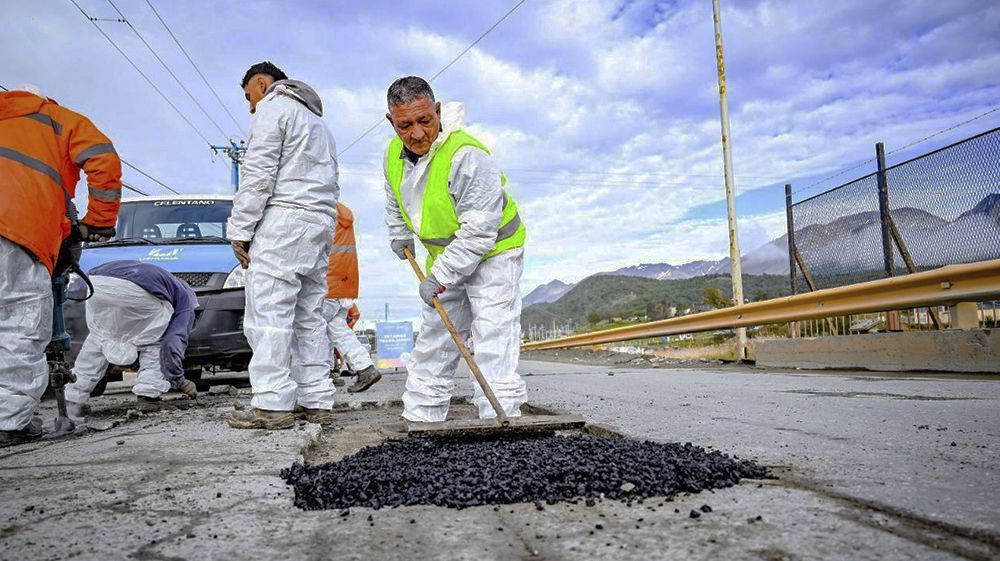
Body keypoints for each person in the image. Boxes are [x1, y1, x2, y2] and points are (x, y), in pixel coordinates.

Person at [382, 76, 528, 422]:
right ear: (392, 122)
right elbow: (394, 196)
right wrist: (399, 232)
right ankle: (423, 415)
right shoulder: (392, 154)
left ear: (438, 111)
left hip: (495, 250)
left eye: (425, 121)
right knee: (436, 335)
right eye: (405, 125)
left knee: (494, 331)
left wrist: (440, 276)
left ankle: (501, 420)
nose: (416, 134)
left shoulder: (467, 156)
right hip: (446, 257)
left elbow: (478, 233)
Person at [0, 85, 122, 446]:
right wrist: (99, 220)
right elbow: (102, 158)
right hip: (18, 230)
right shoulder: (57, 120)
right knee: (20, 323)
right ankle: (8, 421)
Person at [227, 61, 340, 430]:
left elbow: (258, 176)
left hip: (284, 222)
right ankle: (316, 399)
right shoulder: (318, 125)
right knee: (308, 316)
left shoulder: (273, 108)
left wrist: (240, 230)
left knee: (268, 314)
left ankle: (273, 405)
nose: (250, 106)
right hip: (320, 224)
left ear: (262, 84)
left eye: (249, 96)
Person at [64, 261, 199, 427]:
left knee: (99, 337)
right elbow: (172, 343)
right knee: (155, 341)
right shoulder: (185, 302)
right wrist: (180, 381)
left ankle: (73, 400)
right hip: (136, 292)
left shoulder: (161, 278)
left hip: (96, 283)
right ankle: (148, 395)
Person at [322, 202, 381, 393]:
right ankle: (364, 367)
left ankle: (318, 384)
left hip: (325, 284)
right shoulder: (344, 213)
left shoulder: (319, 210)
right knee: (336, 327)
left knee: (308, 332)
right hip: (344, 283)